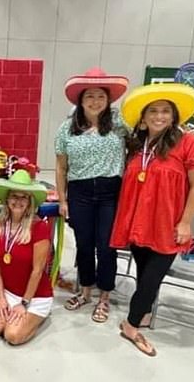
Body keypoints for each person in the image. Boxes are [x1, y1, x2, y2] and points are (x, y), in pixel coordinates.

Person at [110, 83, 194, 356]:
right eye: (153, 110)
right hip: (139, 221)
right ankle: (144, 315)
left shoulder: (189, 143)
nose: (159, 116)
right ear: (144, 116)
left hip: (168, 223)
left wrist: (186, 222)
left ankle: (130, 324)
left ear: (174, 116)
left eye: (165, 111)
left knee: (152, 276)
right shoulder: (138, 145)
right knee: (143, 272)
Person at [54, 67, 129, 323]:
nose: (95, 101)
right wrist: (63, 200)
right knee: (84, 245)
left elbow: (144, 140)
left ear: (108, 100)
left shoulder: (119, 123)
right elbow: (62, 167)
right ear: (80, 100)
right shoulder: (67, 129)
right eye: (90, 96)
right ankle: (85, 291)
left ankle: (104, 297)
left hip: (111, 191)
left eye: (100, 96)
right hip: (80, 192)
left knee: (107, 246)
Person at [0, 170, 51, 345]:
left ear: (30, 202)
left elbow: (38, 271)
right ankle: (11, 314)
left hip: (34, 295)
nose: (18, 201)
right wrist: (0, 297)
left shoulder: (39, 228)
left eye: (24, 197)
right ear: (7, 199)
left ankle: (34, 317)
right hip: (6, 290)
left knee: (12, 336)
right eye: (14, 196)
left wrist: (23, 303)